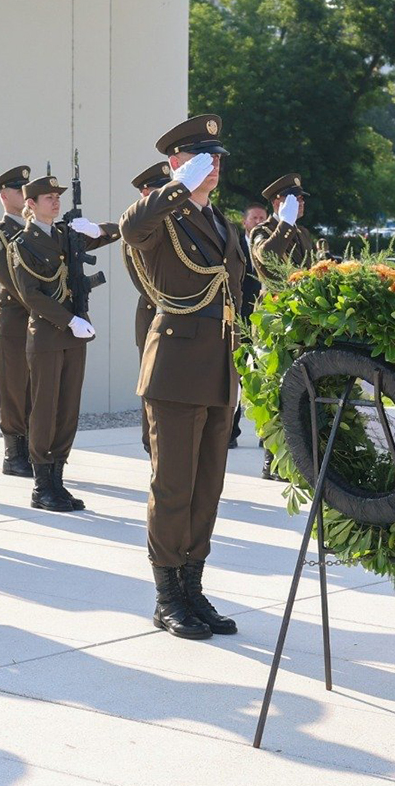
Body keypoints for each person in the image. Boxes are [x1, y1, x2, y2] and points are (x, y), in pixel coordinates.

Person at [120, 114, 245, 640]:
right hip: (173, 370)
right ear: (177, 162)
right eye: (201, 158)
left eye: (216, 159)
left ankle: (193, 587)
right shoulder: (162, 219)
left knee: (207, 488)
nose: (212, 167)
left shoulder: (223, 224)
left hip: (220, 369)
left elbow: (241, 293)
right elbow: (129, 228)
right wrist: (176, 186)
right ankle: (166, 595)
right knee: (172, 487)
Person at [9, 173, 119, 512]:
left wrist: (97, 229)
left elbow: (120, 232)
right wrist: (69, 320)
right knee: (45, 409)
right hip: (48, 334)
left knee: (68, 407)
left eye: (58, 197)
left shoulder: (68, 235)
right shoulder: (22, 244)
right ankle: (42, 485)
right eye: (48, 198)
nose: (56, 202)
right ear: (30, 204)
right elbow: (30, 294)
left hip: (75, 336)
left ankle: (58, 478)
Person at [251, 173, 321, 479]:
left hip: (301, 318)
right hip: (274, 317)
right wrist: (285, 223)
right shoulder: (263, 231)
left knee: (300, 388)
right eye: (296, 199)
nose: (301, 203)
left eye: (302, 198)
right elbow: (266, 257)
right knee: (275, 388)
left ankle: (297, 456)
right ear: (279, 202)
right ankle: (272, 457)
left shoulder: (303, 233)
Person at [0, 165, 33, 477]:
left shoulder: (38, 231)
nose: (25, 196)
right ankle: (14, 454)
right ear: (4, 195)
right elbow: (10, 278)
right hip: (14, 319)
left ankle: (36, 448)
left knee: (38, 388)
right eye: (19, 190)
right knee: (15, 388)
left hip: (40, 320)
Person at [123, 160, 173, 457]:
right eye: (158, 191)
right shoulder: (139, 230)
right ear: (145, 195)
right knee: (153, 387)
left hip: (174, 313)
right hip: (155, 311)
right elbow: (142, 279)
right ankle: (150, 442)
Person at [229, 204, 265, 449]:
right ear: (245, 222)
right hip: (239, 320)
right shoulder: (235, 245)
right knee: (236, 377)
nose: (259, 222)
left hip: (263, 323)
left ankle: (267, 434)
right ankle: (230, 432)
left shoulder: (269, 248)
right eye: (255, 218)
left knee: (264, 379)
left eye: (263, 218)